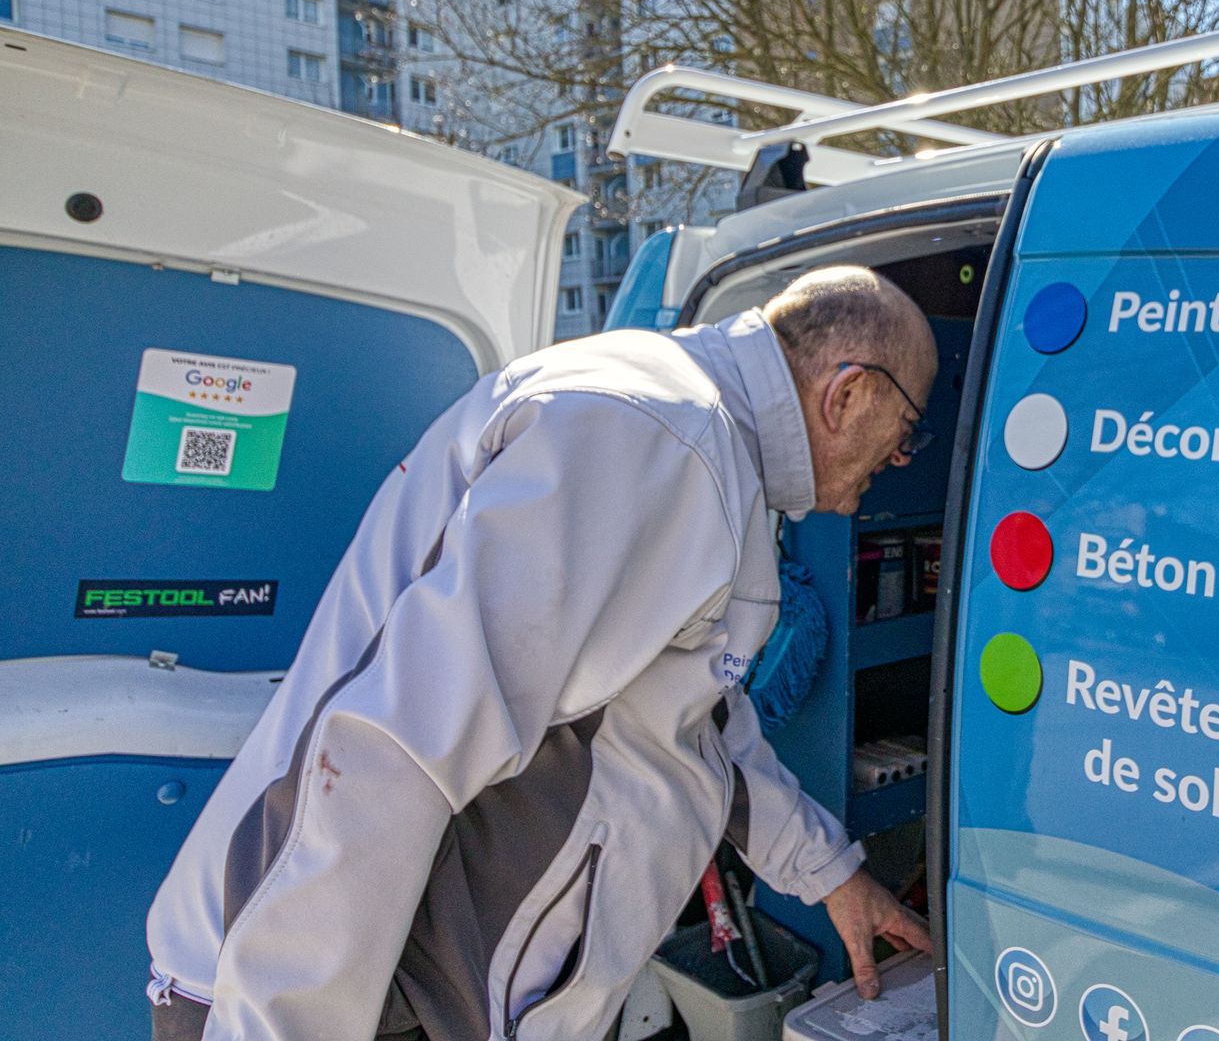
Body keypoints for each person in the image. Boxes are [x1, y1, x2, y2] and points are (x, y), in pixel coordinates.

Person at [146, 265, 939, 1041]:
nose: (902, 460)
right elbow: (397, 746)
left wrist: (830, 874)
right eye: (907, 432)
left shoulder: (697, 446)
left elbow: (695, 721)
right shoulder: (655, 434)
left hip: (419, 987)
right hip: (338, 995)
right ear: (848, 393)